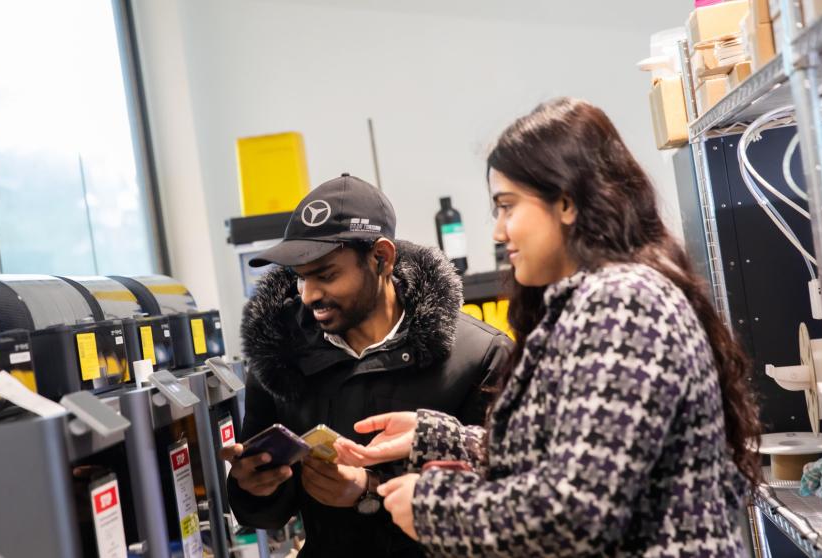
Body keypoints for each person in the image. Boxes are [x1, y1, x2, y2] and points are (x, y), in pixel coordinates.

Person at [334, 98, 763, 556]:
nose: (499, 232)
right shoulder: (598, 299)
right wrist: (439, 437)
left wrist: (433, 507)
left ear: (566, 203)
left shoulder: (621, 305)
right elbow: (574, 449)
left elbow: (578, 508)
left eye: (507, 207)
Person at [222, 173, 513, 557]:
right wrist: (252, 487)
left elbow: (504, 494)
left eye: (326, 275)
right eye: (301, 279)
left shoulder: (478, 355)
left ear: (381, 257)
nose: (310, 296)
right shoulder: (280, 360)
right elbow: (269, 514)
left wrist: (371, 487)